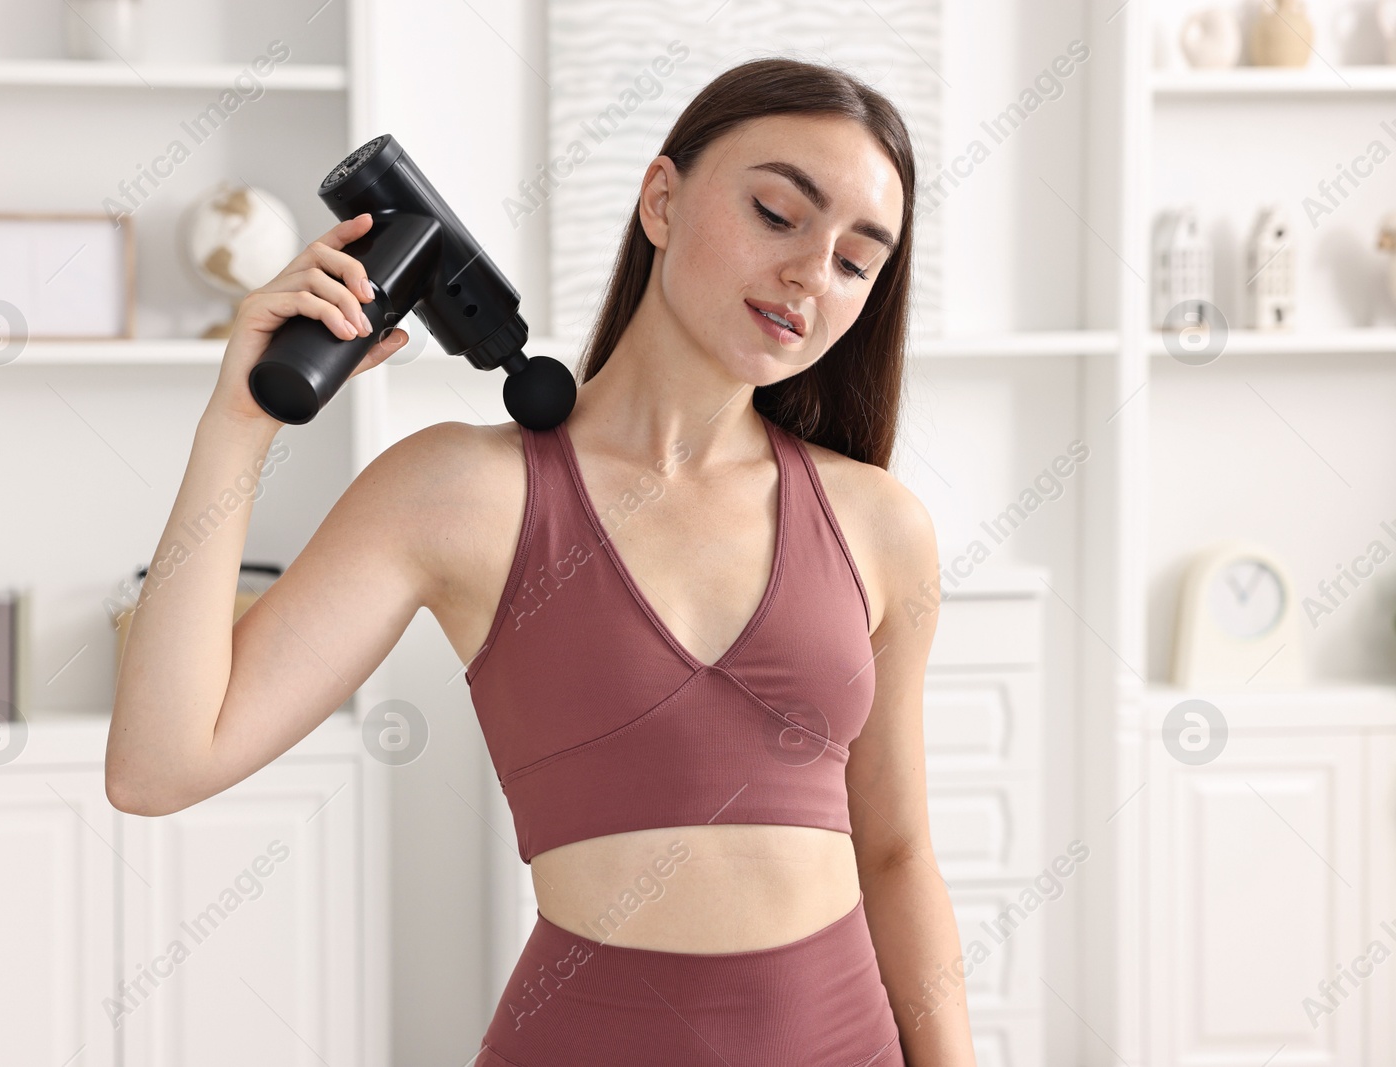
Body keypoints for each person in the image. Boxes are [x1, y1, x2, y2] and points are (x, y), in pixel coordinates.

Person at [107, 55, 976, 1067]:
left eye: (854, 261)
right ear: (661, 199)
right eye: (779, 214)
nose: (808, 274)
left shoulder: (880, 524)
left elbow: (899, 852)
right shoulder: (459, 490)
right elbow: (159, 766)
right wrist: (239, 423)